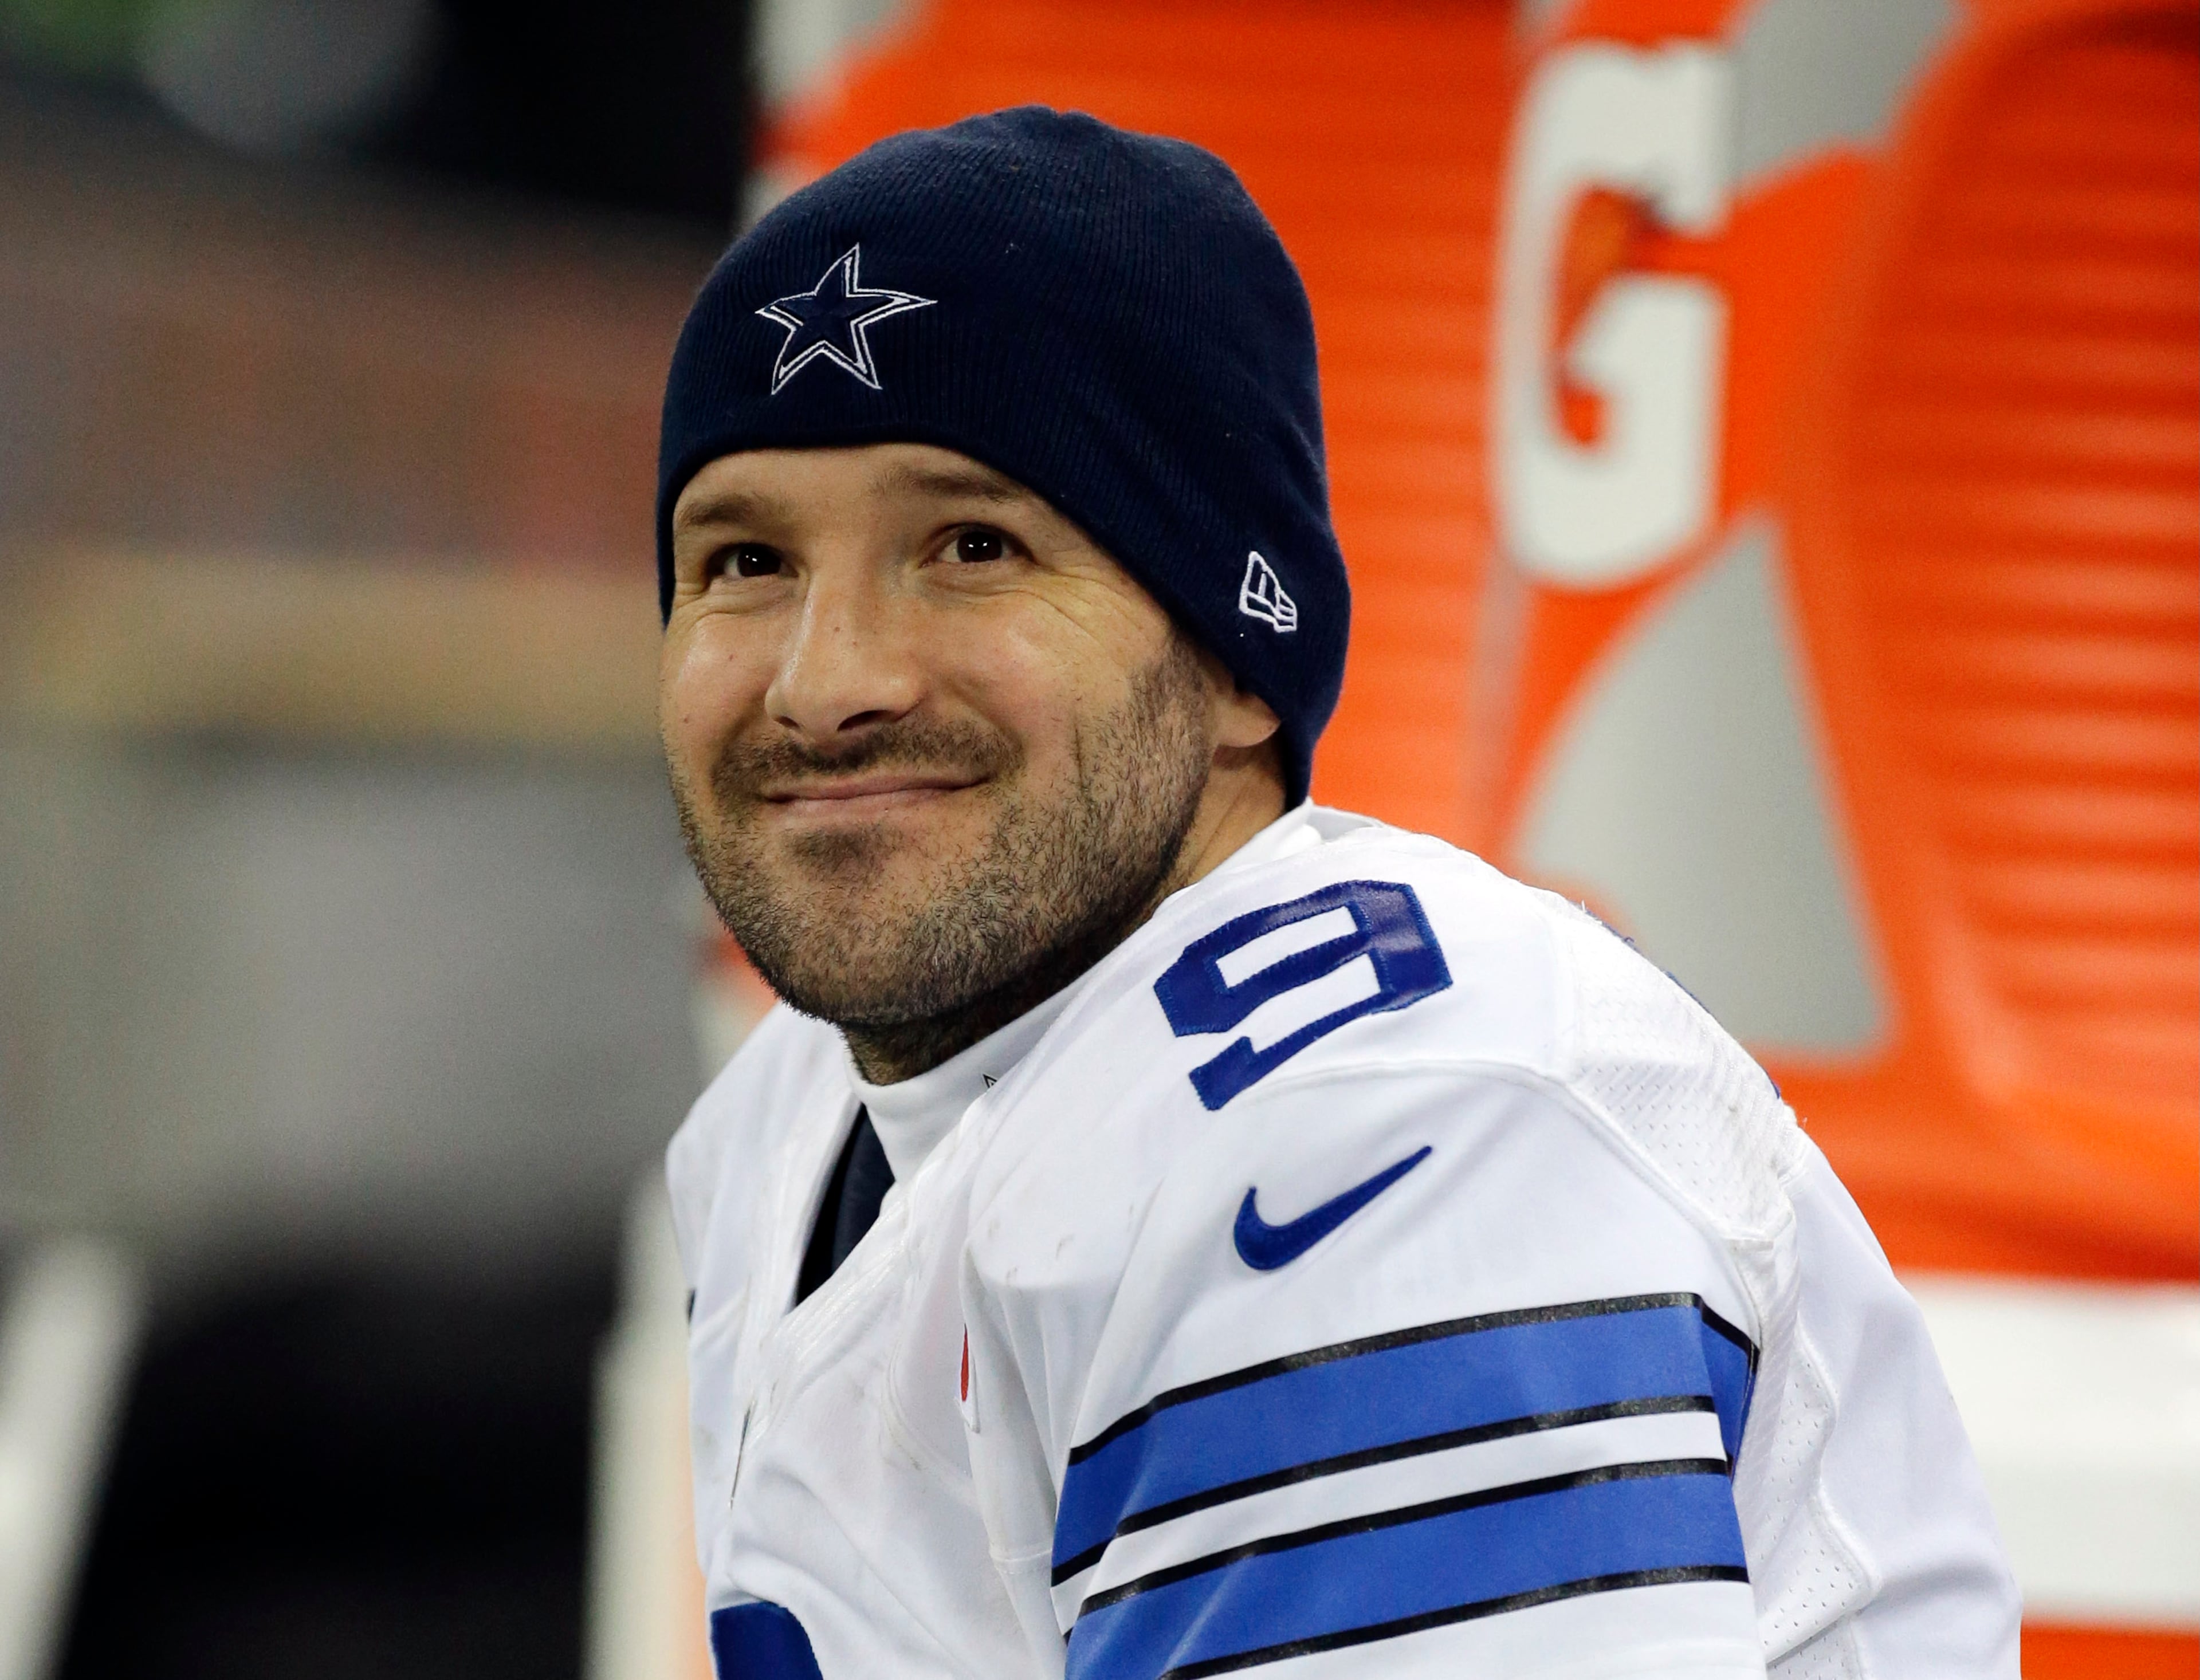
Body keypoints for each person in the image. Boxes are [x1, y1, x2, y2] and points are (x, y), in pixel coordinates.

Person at [657, 108, 2017, 1680]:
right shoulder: (790, 1116)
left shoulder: (1385, 1126)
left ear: (1241, 660)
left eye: (972, 544)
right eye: (746, 561)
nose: (827, 686)